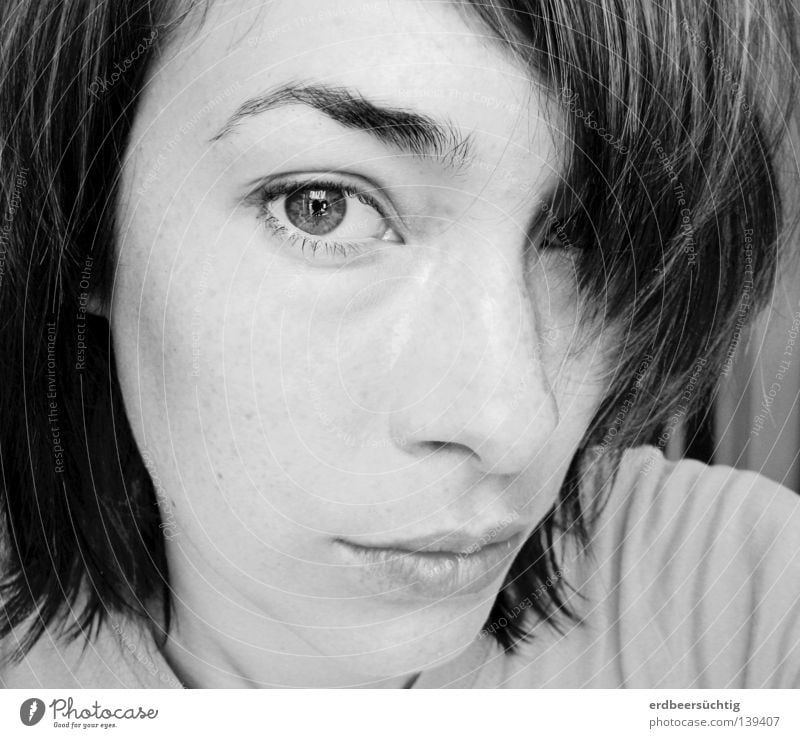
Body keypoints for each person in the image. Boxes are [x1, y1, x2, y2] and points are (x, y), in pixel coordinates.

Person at [1, 0, 799, 689]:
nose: (511, 425)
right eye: (324, 206)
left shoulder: (748, 602)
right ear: (85, 231)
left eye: (586, 234)